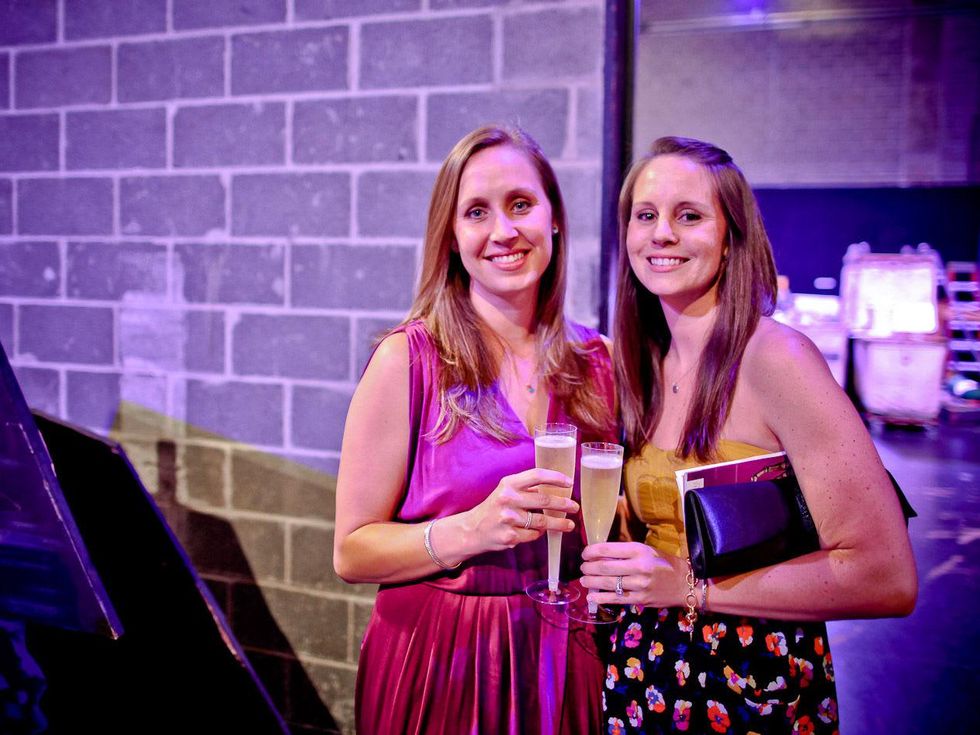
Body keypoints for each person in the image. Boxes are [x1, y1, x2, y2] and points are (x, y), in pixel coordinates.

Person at [579, 137, 917, 734]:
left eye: (689, 216)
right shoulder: (641, 367)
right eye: (645, 215)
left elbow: (885, 576)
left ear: (732, 237)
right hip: (645, 673)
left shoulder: (777, 359)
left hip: (747, 682)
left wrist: (687, 587)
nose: (661, 234)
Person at [333, 125, 617, 735]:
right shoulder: (408, 360)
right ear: (452, 237)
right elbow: (352, 551)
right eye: (477, 212)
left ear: (554, 218)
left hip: (571, 655)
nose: (503, 231)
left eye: (520, 204)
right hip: (443, 659)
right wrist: (472, 530)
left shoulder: (600, 363)